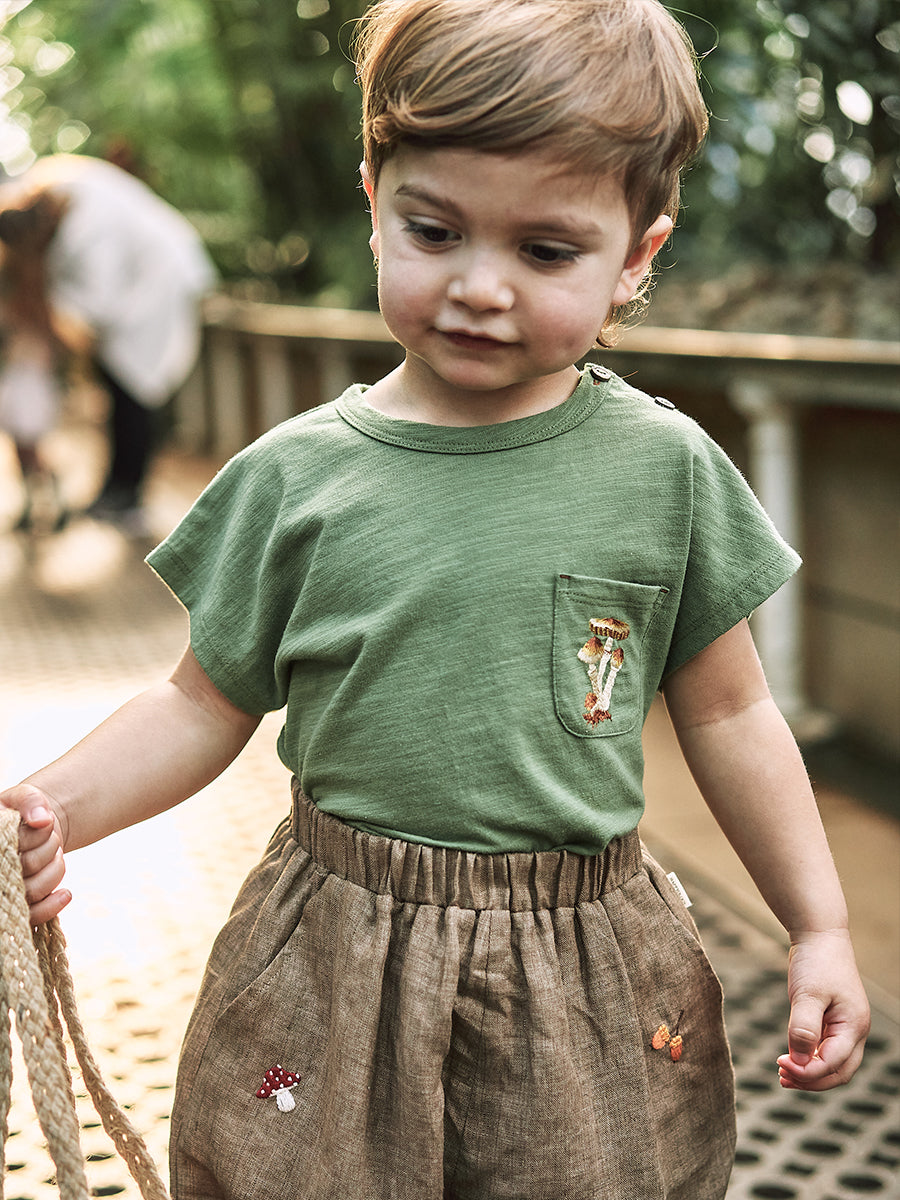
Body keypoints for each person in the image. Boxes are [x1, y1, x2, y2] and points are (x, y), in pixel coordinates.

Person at [2, 2, 870, 1197]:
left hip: (586, 971)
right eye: (434, 230)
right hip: (332, 956)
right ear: (374, 201)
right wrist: (48, 809)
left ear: (637, 254)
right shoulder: (295, 479)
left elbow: (730, 715)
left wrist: (818, 926)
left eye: (545, 252)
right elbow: (198, 704)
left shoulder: (665, 472)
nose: (479, 287)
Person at [0, 154, 216, 533]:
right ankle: (116, 490)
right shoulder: (59, 193)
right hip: (135, 292)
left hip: (154, 290)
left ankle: (127, 496)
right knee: (122, 385)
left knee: (134, 387)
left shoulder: (84, 226)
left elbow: (90, 311)